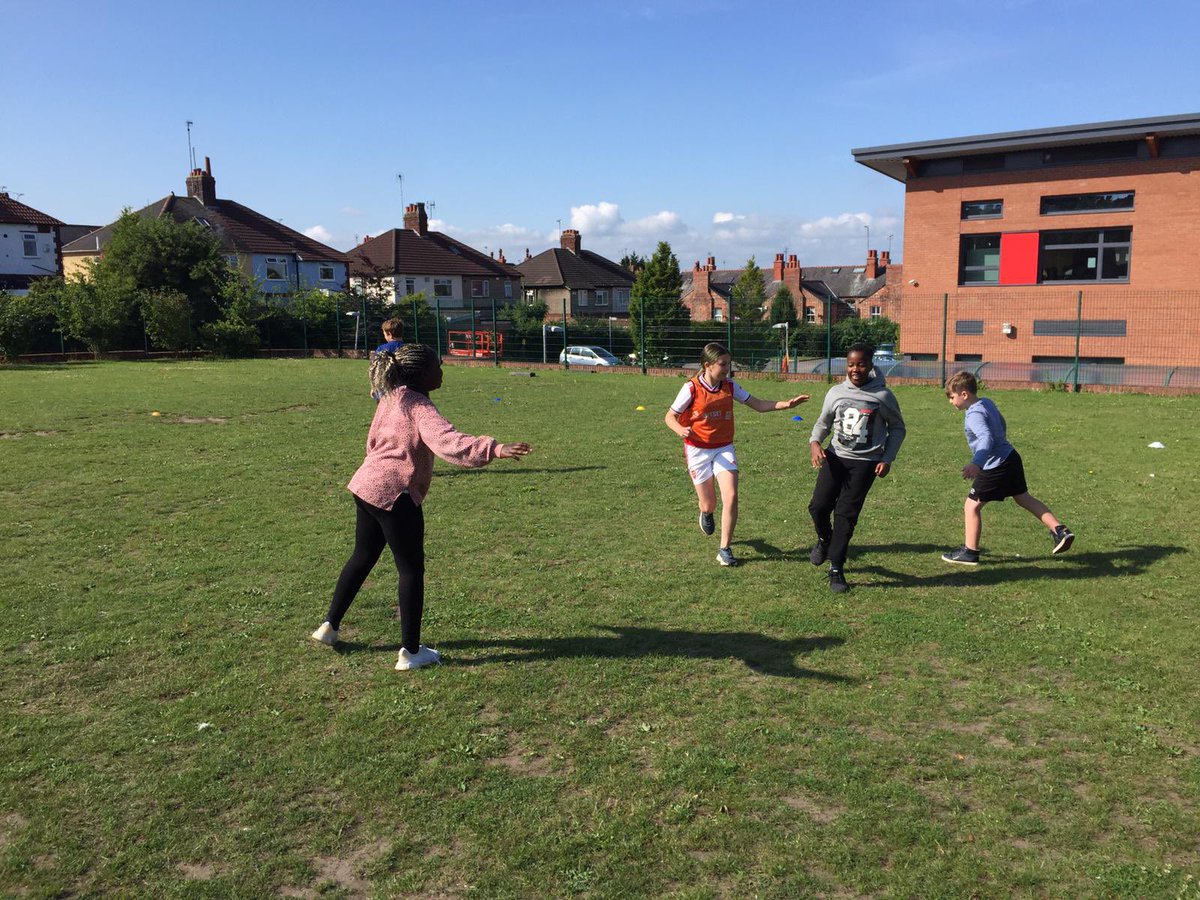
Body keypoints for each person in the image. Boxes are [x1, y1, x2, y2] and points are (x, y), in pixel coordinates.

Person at [312, 344, 533, 670]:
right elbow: (449, 442)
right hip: (394, 493)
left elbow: (372, 441)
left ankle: (329, 627)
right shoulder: (418, 407)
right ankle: (411, 653)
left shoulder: (390, 397)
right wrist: (495, 449)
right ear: (422, 374)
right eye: (438, 366)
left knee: (362, 557)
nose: (442, 371)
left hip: (365, 485)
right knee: (411, 570)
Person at [665, 342, 808, 567]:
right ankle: (706, 513)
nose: (727, 369)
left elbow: (758, 404)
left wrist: (786, 405)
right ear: (707, 366)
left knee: (731, 496)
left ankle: (724, 549)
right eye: (723, 365)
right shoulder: (691, 388)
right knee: (709, 504)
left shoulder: (730, 386)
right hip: (698, 449)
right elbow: (669, 416)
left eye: (728, 364)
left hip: (723, 447)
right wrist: (680, 429)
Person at [941, 371, 1074, 565]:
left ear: (964, 394)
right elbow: (1001, 422)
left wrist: (977, 463)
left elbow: (986, 437)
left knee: (971, 506)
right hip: (1011, 457)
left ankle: (970, 552)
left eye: (951, 397)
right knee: (1023, 498)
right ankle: (1060, 530)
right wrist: (1000, 442)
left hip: (996, 464)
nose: (950, 402)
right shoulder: (986, 402)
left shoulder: (973, 414)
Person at [808, 343, 906, 593]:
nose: (856, 369)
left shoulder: (882, 396)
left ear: (871, 365)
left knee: (845, 515)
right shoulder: (836, 393)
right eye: (851, 364)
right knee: (818, 507)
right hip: (836, 457)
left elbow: (897, 427)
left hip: (866, 463)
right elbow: (823, 422)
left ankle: (836, 569)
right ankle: (824, 539)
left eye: (861, 364)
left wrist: (887, 457)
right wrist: (815, 443)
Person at [370, 318, 405, 400]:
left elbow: (376, 369)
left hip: (385, 386)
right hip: (404, 386)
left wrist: (374, 386)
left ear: (389, 334)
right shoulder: (408, 348)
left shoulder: (381, 349)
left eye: (384, 334)